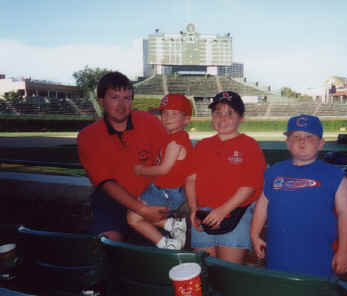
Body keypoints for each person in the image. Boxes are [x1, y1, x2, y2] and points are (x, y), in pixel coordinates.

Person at [251, 114, 347, 278]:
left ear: (321, 144)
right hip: (279, 254)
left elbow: (345, 214)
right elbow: (262, 205)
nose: (302, 141)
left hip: (318, 256)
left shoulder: (335, 175)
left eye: (309, 137)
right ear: (287, 143)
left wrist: (343, 251)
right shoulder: (274, 172)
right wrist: (254, 234)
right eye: (296, 136)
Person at [77, 71, 169, 241]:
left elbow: (169, 157)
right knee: (108, 246)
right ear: (101, 101)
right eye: (115, 97)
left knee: (159, 252)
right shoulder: (88, 136)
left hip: (149, 196)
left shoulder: (149, 122)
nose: (121, 105)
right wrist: (140, 210)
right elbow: (105, 182)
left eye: (126, 98)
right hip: (111, 201)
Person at [186, 91, 266, 264]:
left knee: (227, 273)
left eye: (230, 113)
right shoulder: (202, 145)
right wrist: (193, 208)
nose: (222, 118)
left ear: (241, 118)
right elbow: (191, 179)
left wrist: (223, 210)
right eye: (217, 113)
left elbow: (249, 186)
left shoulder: (250, 146)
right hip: (203, 214)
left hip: (234, 215)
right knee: (203, 271)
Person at [127, 93, 193, 250]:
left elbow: (163, 169)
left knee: (132, 218)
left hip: (166, 192)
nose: (168, 117)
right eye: (164, 113)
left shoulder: (176, 141)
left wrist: (141, 170)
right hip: (163, 189)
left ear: (186, 119)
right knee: (134, 215)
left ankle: (168, 243)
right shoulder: (173, 138)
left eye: (174, 113)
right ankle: (172, 226)